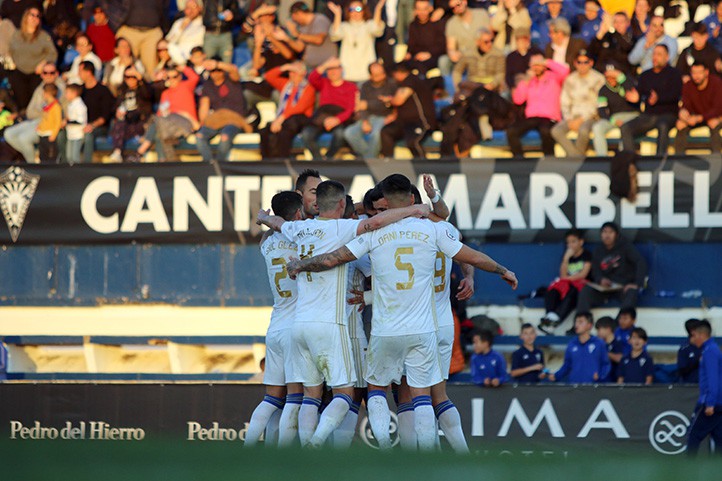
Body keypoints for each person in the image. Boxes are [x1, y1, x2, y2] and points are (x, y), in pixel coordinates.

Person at [282, 173, 518, 450]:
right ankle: (427, 458)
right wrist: (503, 270)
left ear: (385, 201)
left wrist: (301, 264)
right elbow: (473, 257)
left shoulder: (375, 233)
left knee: (377, 389)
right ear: (410, 198)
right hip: (424, 328)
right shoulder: (434, 230)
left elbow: (334, 258)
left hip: (386, 329)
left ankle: (384, 446)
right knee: (423, 396)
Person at [257, 179, 434, 449]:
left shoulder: (299, 228)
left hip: (298, 325)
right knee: (346, 396)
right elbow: (374, 225)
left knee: (307, 398)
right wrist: (414, 210)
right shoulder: (345, 229)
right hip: (334, 326)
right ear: (342, 205)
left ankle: (296, 454)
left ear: (316, 205)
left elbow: (279, 225)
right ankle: (316, 444)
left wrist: (262, 218)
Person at [244, 191, 304, 447]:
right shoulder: (302, 237)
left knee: (271, 399)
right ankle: (282, 457)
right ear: (298, 213)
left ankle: (247, 447)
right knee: (294, 398)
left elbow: (269, 232)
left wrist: (263, 220)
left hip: (275, 325)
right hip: (295, 327)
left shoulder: (266, 243)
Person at [576, 222, 648, 316]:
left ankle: (619, 326)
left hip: (623, 287)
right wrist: (600, 279)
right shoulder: (598, 251)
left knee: (632, 293)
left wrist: (637, 284)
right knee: (585, 291)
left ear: (616, 235)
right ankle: (581, 322)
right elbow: (595, 270)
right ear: (601, 235)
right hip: (605, 288)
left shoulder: (625, 247)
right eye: (604, 232)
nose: (607, 235)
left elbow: (640, 262)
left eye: (610, 232)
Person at [621, 44, 682, 155]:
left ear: (666, 57)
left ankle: (659, 161)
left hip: (668, 114)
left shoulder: (674, 74)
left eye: (659, 54)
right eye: (654, 54)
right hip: (649, 115)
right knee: (625, 127)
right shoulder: (645, 75)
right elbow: (640, 94)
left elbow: (676, 94)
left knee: (662, 125)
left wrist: (659, 98)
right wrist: (636, 98)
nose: (655, 57)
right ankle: (630, 161)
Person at [508, 54, 570, 157]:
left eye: (538, 65)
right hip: (532, 117)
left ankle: (549, 159)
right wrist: (526, 81)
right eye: (534, 65)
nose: (536, 67)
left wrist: (547, 62)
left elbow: (565, 71)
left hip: (549, 117)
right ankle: (519, 160)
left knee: (545, 131)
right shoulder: (529, 80)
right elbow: (518, 100)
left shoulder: (553, 77)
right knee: (511, 131)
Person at [137, 64, 200, 162]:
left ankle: (144, 146)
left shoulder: (185, 86)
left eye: (174, 77)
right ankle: (163, 161)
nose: (172, 80)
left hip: (186, 122)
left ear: (179, 76)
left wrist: (182, 67)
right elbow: (160, 113)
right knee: (159, 132)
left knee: (159, 124)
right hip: (169, 124)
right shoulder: (165, 93)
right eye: (169, 77)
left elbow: (195, 77)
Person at [3, 63, 64, 163]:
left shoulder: (61, 89)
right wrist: (18, 114)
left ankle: (33, 165)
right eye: (45, 72)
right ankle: (33, 154)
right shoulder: (40, 88)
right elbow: (30, 111)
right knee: (8, 134)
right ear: (42, 74)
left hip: (46, 124)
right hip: (33, 120)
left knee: (24, 139)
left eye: (51, 72)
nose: (48, 75)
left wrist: (41, 114)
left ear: (56, 73)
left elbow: (58, 113)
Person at [195, 59, 252, 162]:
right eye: (212, 71)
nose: (215, 73)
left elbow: (234, 70)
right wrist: (203, 122)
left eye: (218, 70)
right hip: (217, 121)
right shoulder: (208, 85)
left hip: (233, 120)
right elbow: (204, 105)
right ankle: (209, 164)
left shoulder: (231, 80)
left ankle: (220, 165)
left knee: (225, 137)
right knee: (199, 136)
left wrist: (216, 64)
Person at [301, 56, 357, 160]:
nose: (332, 72)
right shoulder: (324, 83)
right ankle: (318, 160)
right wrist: (326, 64)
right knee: (306, 135)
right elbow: (312, 78)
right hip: (322, 117)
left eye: (335, 68)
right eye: (329, 69)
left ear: (341, 70)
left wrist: (336, 119)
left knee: (340, 135)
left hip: (340, 118)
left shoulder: (351, 86)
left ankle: (328, 158)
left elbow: (350, 109)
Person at [551, 49, 605, 156]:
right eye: (579, 62)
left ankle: (574, 160)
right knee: (556, 131)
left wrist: (581, 119)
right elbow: (565, 102)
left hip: (591, 117)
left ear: (591, 63)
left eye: (586, 62)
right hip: (572, 116)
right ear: (575, 63)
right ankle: (577, 158)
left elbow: (599, 104)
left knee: (584, 131)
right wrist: (569, 119)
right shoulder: (570, 79)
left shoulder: (599, 79)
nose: (582, 65)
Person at [379, 62, 437, 158]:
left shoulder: (411, 81)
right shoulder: (404, 83)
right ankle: (388, 162)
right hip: (404, 122)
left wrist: (389, 100)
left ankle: (424, 168)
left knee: (413, 142)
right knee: (386, 132)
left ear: (398, 73)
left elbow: (398, 100)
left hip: (420, 121)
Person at [259, 62, 316, 159]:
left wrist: (281, 118)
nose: (292, 74)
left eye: (295, 72)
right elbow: (268, 76)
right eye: (290, 72)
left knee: (284, 132)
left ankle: (282, 161)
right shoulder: (286, 85)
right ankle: (266, 161)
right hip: (284, 118)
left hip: (300, 119)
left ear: (303, 73)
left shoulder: (308, 88)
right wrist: (285, 67)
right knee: (265, 131)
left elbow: (299, 108)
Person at [539, 228, 592, 332]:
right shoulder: (567, 256)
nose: (570, 245)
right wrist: (566, 258)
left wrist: (567, 278)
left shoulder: (587, 255)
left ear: (581, 242)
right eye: (568, 242)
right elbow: (562, 275)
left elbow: (583, 274)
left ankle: (554, 320)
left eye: (573, 242)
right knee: (552, 291)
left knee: (572, 293)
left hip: (580, 285)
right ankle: (550, 316)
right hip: (567, 283)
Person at [8, 7, 58, 112]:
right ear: (26, 17)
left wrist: (43, 63)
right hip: (19, 72)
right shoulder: (17, 35)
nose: (35, 18)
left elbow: (53, 53)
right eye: (32, 15)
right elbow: (11, 51)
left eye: (37, 16)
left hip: (36, 73)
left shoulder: (43, 36)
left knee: (34, 98)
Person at [343, 62, 397, 159]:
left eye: (382, 73)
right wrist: (364, 121)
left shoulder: (391, 83)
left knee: (375, 135)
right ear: (370, 76)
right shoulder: (365, 86)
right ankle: (368, 156)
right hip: (369, 117)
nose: (381, 77)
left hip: (384, 117)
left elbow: (388, 105)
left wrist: (368, 105)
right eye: (377, 75)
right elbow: (361, 106)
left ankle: (368, 161)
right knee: (349, 133)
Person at [685, 319, 722, 456]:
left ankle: (688, 470)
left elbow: (713, 379)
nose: (691, 339)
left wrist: (710, 402)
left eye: (693, 335)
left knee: (693, 435)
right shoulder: (714, 349)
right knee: (719, 439)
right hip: (719, 402)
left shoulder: (709, 352)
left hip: (710, 402)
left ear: (700, 335)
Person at [328, 0, 385, 83]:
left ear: (364, 10)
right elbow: (335, 35)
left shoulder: (368, 24)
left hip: (365, 72)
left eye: (358, 9)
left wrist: (378, 9)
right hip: (347, 73)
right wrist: (337, 14)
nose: (355, 12)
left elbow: (377, 29)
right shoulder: (344, 26)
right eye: (352, 9)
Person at [591, 62, 639, 155]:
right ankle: (602, 158)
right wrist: (612, 120)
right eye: (608, 77)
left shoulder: (627, 82)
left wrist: (621, 78)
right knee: (597, 127)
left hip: (632, 115)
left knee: (625, 128)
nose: (611, 79)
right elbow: (602, 110)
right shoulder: (603, 90)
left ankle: (624, 158)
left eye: (613, 76)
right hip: (615, 117)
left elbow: (635, 94)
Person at [674, 62, 722, 155]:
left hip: (714, 116)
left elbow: (718, 108)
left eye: (699, 73)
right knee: (681, 125)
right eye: (694, 73)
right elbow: (686, 105)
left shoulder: (716, 83)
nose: (696, 76)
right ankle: (678, 158)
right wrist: (683, 113)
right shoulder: (688, 85)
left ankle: (717, 159)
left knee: (713, 123)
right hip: (695, 117)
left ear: (706, 72)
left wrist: (700, 118)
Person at [549, 311, 611, 383]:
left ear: (589, 325)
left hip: (593, 387)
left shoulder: (599, 343)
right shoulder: (572, 344)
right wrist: (556, 376)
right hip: (574, 387)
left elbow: (606, 364)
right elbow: (567, 365)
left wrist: (600, 375)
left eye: (580, 322)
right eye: (576, 322)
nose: (576, 325)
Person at [108, 65, 153, 162]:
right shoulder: (122, 91)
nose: (130, 80)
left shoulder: (142, 89)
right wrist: (117, 112)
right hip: (125, 123)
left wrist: (140, 78)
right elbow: (115, 107)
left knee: (120, 125)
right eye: (127, 77)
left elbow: (148, 94)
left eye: (133, 77)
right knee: (119, 123)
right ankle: (117, 152)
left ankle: (119, 152)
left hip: (140, 122)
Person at [77, 61, 115, 163]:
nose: (78, 74)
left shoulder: (103, 90)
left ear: (88, 72)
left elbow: (105, 116)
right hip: (82, 125)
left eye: (80, 71)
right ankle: (66, 165)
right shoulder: (80, 91)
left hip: (100, 127)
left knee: (88, 134)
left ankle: (86, 166)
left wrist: (92, 125)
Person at [116, 0, 167, 76]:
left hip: (152, 31)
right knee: (125, 64)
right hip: (129, 29)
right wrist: (115, 23)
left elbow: (164, 7)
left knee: (151, 70)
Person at [286, 2, 337, 69]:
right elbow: (299, 47)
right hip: (310, 67)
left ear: (299, 13)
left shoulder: (320, 20)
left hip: (326, 68)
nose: (294, 20)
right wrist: (285, 38)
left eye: (293, 17)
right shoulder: (302, 27)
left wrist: (296, 34)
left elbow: (318, 40)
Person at [445, 0, 491, 72]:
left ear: (464, 1)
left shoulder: (481, 14)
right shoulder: (451, 23)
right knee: (444, 61)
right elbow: (451, 47)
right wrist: (453, 53)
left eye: (458, 4)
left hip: (483, 54)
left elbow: (489, 38)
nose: (456, 8)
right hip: (463, 58)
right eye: (452, 8)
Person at [405, 0, 448, 76]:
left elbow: (442, 45)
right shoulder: (413, 25)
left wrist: (429, 53)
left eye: (424, 9)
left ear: (430, 9)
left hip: (433, 57)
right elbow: (411, 45)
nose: (421, 12)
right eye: (419, 9)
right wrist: (408, 53)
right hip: (417, 57)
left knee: (421, 67)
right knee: (399, 66)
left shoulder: (437, 23)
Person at [587, 11, 635, 78]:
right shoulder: (606, 36)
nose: (618, 24)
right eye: (615, 22)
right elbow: (590, 53)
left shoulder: (631, 38)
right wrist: (600, 33)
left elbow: (626, 48)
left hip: (621, 76)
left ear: (628, 23)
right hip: (601, 75)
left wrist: (612, 30)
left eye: (621, 22)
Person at [165, 0, 205, 66]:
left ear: (200, 8)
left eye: (194, 7)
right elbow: (168, 41)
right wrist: (181, 29)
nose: (191, 11)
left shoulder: (204, 23)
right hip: (176, 58)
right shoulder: (179, 23)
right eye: (188, 8)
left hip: (193, 60)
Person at [36, 83, 61, 163]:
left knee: (51, 156)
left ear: (47, 93)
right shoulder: (46, 106)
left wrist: (54, 134)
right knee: (42, 155)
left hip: (50, 135)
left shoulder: (56, 106)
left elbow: (58, 122)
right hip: (42, 133)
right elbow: (44, 118)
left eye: (44, 93)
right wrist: (39, 126)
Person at [595, 315, 625, 382]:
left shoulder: (618, 343)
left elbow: (620, 359)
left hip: (613, 379)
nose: (597, 333)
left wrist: (605, 353)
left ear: (608, 329)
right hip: (600, 380)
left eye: (599, 329)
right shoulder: (599, 345)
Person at [62, 83, 87, 165]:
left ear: (74, 93)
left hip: (78, 135)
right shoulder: (71, 104)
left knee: (75, 157)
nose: (65, 95)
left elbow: (80, 121)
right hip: (71, 134)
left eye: (67, 92)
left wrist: (67, 122)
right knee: (69, 156)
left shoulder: (80, 105)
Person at [678, 318, 703, 383]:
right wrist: (697, 361)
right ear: (693, 331)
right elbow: (682, 370)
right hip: (690, 386)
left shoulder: (706, 346)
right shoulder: (685, 349)